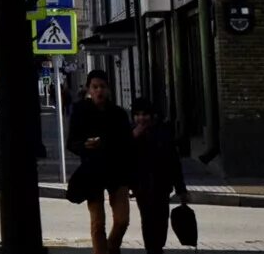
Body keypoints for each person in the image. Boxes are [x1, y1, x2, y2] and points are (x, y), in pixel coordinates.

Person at [68, 69, 133, 254]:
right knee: (98, 223)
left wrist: (131, 176)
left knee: (122, 220)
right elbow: (71, 142)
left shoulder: (118, 114)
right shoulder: (81, 111)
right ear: (89, 89)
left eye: (102, 87)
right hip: (93, 172)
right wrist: (84, 145)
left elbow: (127, 145)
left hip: (117, 172)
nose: (99, 91)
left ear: (108, 89)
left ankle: (112, 247)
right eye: (95, 87)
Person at [128, 96, 188, 253]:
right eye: (138, 114)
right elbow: (124, 159)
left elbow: (174, 162)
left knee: (161, 220)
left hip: (162, 186)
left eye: (145, 114)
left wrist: (181, 189)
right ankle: (153, 249)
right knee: (147, 220)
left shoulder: (163, 132)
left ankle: (157, 246)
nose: (141, 118)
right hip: (142, 187)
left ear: (152, 115)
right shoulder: (130, 134)